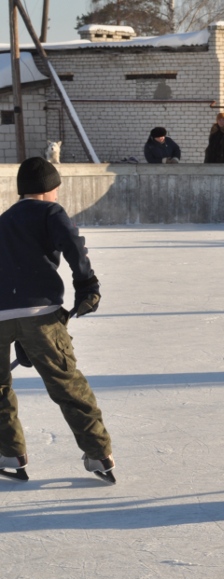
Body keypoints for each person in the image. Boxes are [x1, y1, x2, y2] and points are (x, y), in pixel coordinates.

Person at [0, 158, 116, 484]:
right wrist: (87, 287)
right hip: (40, 316)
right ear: (50, 190)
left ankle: (10, 453)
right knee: (68, 386)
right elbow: (73, 248)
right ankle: (98, 454)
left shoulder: (3, 220)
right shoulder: (51, 212)